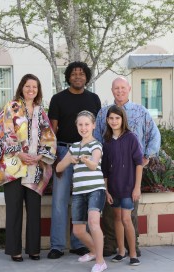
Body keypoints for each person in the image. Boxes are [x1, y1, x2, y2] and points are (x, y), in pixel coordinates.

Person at [0, 74, 56, 262]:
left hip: (34, 166)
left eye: (34, 87)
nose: (31, 90)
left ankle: (34, 249)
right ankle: (14, 250)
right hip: (13, 166)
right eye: (28, 86)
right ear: (22, 87)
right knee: (14, 208)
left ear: (38, 90)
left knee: (34, 208)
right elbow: (3, 132)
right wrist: (19, 153)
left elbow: (48, 136)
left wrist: (40, 155)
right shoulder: (12, 107)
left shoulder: (40, 111)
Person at [94, 76, 161, 257]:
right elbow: (96, 139)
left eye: (123, 88)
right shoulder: (103, 113)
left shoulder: (141, 112)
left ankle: (133, 245)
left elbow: (155, 135)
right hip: (111, 170)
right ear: (112, 90)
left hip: (133, 171)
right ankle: (110, 244)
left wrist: (146, 155)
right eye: (116, 88)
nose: (120, 91)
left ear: (129, 88)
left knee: (130, 211)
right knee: (110, 212)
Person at [47, 61, 101, 259]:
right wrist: (53, 157)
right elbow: (52, 131)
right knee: (60, 200)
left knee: (82, 198)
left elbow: (97, 128)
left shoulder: (94, 99)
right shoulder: (58, 99)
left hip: (87, 153)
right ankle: (57, 246)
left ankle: (79, 243)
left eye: (81, 74)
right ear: (68, 77)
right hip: (64, 151)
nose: (78, 77)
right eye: (74, 74)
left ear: (86, 77)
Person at [56, 110, 107, 272]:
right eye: (80, 124)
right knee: (78, 231)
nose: (83, 128)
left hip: (96, 190)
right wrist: (69, 160)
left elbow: (94, 164)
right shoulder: (74, 147)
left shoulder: (96, 145)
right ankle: (93, 251)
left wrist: (86, 160)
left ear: (93, 126)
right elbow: (58, 167)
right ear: (76, 126)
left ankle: (100, 261)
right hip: (79, 192)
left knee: (93, 223)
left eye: (86, 124)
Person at [102, 105, 143, 266]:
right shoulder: (106, 142)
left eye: (117, 118)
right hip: (113, 188)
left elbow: (139, 163)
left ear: (122, 119)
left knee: (126, 219)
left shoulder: (131, 138)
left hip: (128, 187)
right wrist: (106, 191)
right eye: (111, 118)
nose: (114, 121)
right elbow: (104, 170)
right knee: (117, 219)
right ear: (107, 120)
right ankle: (121, 252)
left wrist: (137, 187)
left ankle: (133, 254)